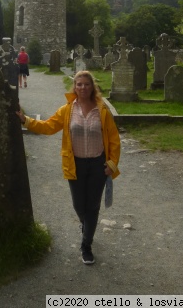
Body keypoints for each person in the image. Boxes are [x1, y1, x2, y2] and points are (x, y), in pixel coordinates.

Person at [16, 70, 120, 265]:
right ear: (75, 87)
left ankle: (86, 245)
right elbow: (48, 126)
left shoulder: (102, 109)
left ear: (92, 87)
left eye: (86, 84)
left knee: (93, 206)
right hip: (76, 164)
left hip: (98, 165)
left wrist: (112, 164)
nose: (82, 88)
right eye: (79, 84)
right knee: (79, 205)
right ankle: (87, 225)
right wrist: (26, 120)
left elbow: (114, 139)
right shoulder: (68, 110)